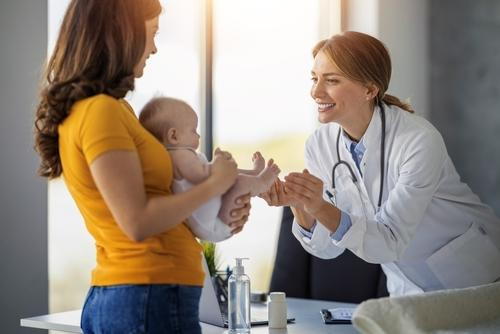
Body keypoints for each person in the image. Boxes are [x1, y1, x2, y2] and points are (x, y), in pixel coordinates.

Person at [33, 1, 251, 333]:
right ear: (122, 33)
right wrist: (214, 186)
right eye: (152, 34)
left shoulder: (110, 111)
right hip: (148, 295)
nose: (154, 48)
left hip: (145, 294)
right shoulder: (100, 112)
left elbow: (158, 204)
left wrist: (218, 213)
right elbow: (138, 221)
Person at [260, 31, 500, 296]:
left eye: (332, 80)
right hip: (405, 287)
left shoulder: (418, 140)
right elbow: (328, 248)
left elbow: (389, 239)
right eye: (314, 78)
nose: (315, 91)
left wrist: (319, 206)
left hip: (471, 276)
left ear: (370, 89)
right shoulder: (319, 145)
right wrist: (300, 203)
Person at [139, 97, 280, 242]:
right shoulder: (180, 156)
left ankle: (255, 174)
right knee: (239, 183)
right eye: (193, 130)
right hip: (213, 225)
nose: (198, 135)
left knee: (233, 177)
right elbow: (202, 176)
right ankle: (262, 182)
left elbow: (216, 176)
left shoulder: (180, 155)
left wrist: (219, 167)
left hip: (212, 217)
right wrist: (218, 163)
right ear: (174, 136)